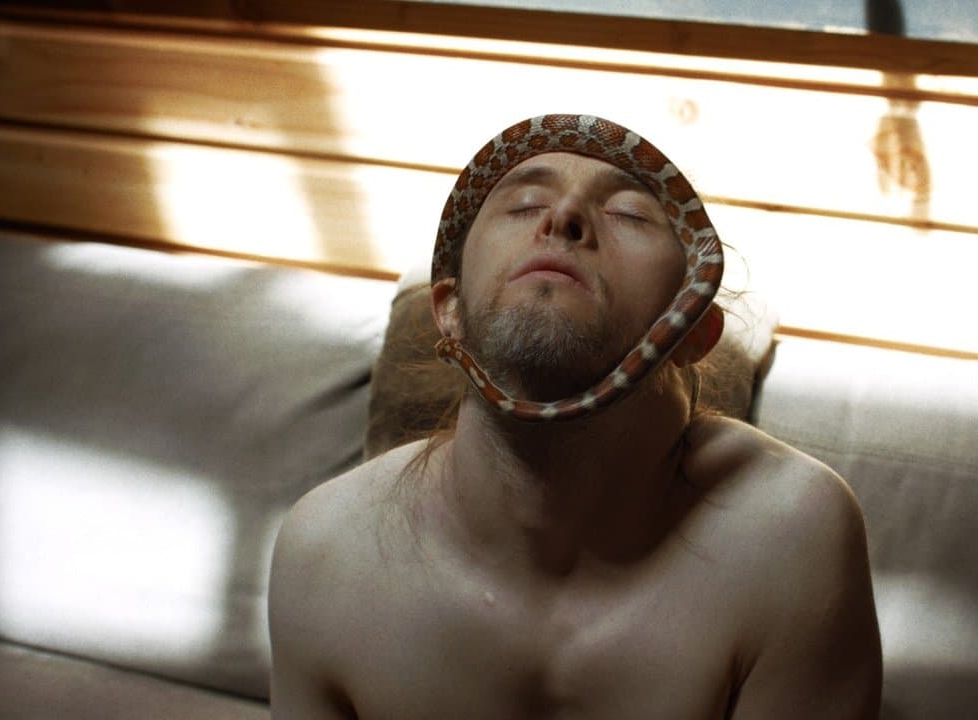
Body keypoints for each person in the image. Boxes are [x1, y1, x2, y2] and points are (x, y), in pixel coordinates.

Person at [268, 115, 881, 719]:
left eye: (630, 214)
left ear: (695, 329)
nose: (563, 216)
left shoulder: (794, 540)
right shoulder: (324, 550)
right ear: (448, 309)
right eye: (524, 204)